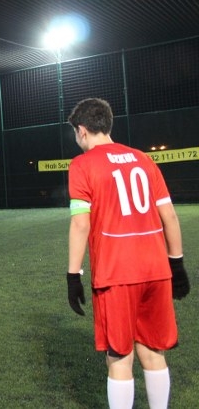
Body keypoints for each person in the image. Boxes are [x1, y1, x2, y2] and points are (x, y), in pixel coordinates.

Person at [66, 98, 190, 409]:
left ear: (82, 130)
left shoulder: (82, 164)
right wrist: (177, 264)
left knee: (120, 357)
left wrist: (73, 275)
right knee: (153, 351)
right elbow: (170, 216)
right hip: (157, 270)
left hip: (117, 274)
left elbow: (81, 224)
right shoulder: (143, 159)